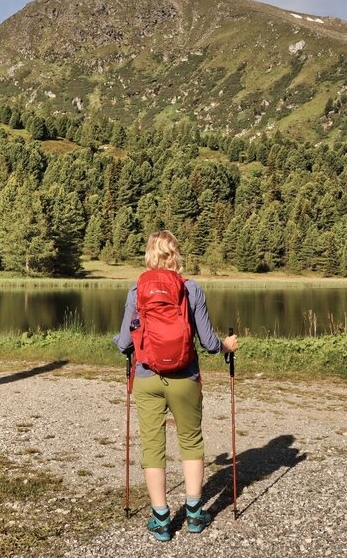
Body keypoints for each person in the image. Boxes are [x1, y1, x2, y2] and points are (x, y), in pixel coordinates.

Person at [114, 230, 239, 541]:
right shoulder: (191, 288)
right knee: (191, 441)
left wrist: (121, 342)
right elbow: (208, 342)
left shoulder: (136, 290)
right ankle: (194, 515)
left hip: (146, 377)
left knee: (152, 445)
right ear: (176, 255)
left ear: (149, 255)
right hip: (185, 377)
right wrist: (226, 346)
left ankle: (161, 519)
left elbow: (124, 343)